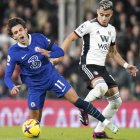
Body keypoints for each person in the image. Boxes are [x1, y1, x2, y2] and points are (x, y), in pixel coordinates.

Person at [4, 17, 119, 136]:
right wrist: (11, 86)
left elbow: (60, 52)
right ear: (14, 37)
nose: (19, 33)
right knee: (34, 122)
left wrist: (48, 53)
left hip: (51, 77)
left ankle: (105, 122)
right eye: (16, 33)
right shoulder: (13, 52)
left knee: (77, 100)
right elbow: (7, 76)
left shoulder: (39, 38)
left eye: (20, 30)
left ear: (26, 30)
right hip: (35, 86)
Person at [53, 0, 138, 139]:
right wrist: (60, 55)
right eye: (101, 14)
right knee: (102, 87)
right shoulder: (89, 25)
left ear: (111, 14)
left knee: (117, 102)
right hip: (87, 65)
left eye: (107, 15)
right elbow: (70, 37)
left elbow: (113, 53)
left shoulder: (111, 30)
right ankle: (83, 107)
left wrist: (126, 65)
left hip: (101, 68)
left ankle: (98, 131)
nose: (104, 18)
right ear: (97, 12)